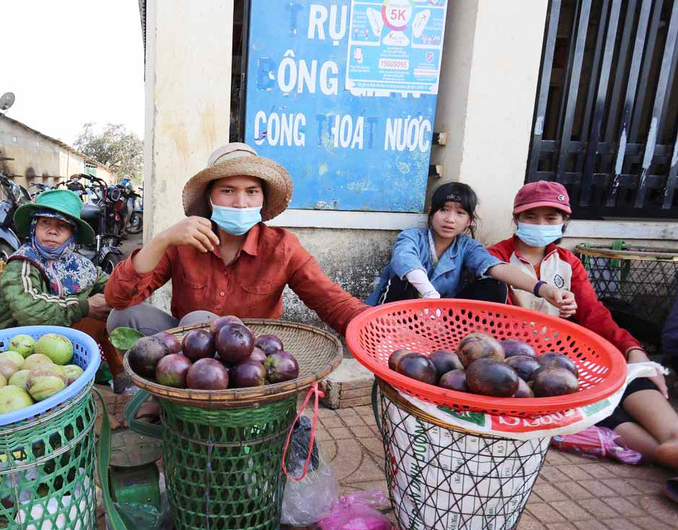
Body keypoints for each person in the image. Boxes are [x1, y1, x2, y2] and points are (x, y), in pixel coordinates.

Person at [488, 181, 678, 469]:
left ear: (564, 221)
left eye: (550, 218)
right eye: (531, 217)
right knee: (592, 402)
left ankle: (672, 439)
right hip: (526, 365)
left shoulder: (568, 262)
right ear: (516, 219)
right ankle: (662, 453)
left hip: (569, 355)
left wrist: (632, 349)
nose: (540, 224)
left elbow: (594, 314)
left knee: (627, 376)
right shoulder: (496, 257)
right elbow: (492, 318)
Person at [106, 142, 369, 338]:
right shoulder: (184, 241)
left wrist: (376, 329)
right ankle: (156, 392)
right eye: (228, 191)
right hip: (190, 348)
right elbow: (118, 298)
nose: (241, 203)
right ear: (210, 198)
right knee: (123, 317)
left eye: (251, 192)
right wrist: (161, 240)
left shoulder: (282, 247)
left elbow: (330, 299)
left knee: (198, 320)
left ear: (262, 199)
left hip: (250, 358)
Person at [366, 182, 576, 315]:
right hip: (397, 313)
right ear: (431, 213)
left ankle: (458, 338)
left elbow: (496, 267)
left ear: (469, 221)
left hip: (439, 316)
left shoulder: (468, 247)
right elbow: (405, 260)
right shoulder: (412, 236)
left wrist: (543, 288)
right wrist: (428, 292)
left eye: (460, 213)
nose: (449, 219)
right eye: (444, 210)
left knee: (495, 284)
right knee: (401, 278)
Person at [0, 189, 123, 381]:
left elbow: (113, 287)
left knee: (110, 314)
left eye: (62, 226)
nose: (52, 231)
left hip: (61, 345)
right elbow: (29, 310)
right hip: (20, 350)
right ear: (34, 227)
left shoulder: (82, 265)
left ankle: (120, 377)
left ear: (72, 234)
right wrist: (85, 306)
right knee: (92, 312)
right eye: (45, 222)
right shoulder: (22, 263)